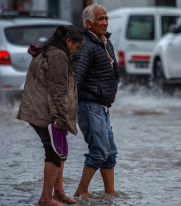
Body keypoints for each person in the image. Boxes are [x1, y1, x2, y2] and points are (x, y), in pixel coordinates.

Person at [17, 25, 84, 206]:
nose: (76, 51)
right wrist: (61, 120)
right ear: (68, 41)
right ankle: (46, 199)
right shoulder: (58, 56)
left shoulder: (53, 51)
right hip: (49, 114)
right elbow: (57, 92)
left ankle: (59, 193)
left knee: (61, 153)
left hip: (48, 112)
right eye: (76, 46)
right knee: (54, 154)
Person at [72, 3, 120, 197]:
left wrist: (111, 90)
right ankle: (81, 192)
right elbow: (77, 76)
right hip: (89, 105)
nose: (105, 22)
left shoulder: (106, 42)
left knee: (110, 152)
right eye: (100, 19)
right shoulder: (85, 45)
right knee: (99, 150)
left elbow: (115, 72)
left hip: (102, 106)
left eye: (106, 18)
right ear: (88, 24)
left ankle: (110, 192)